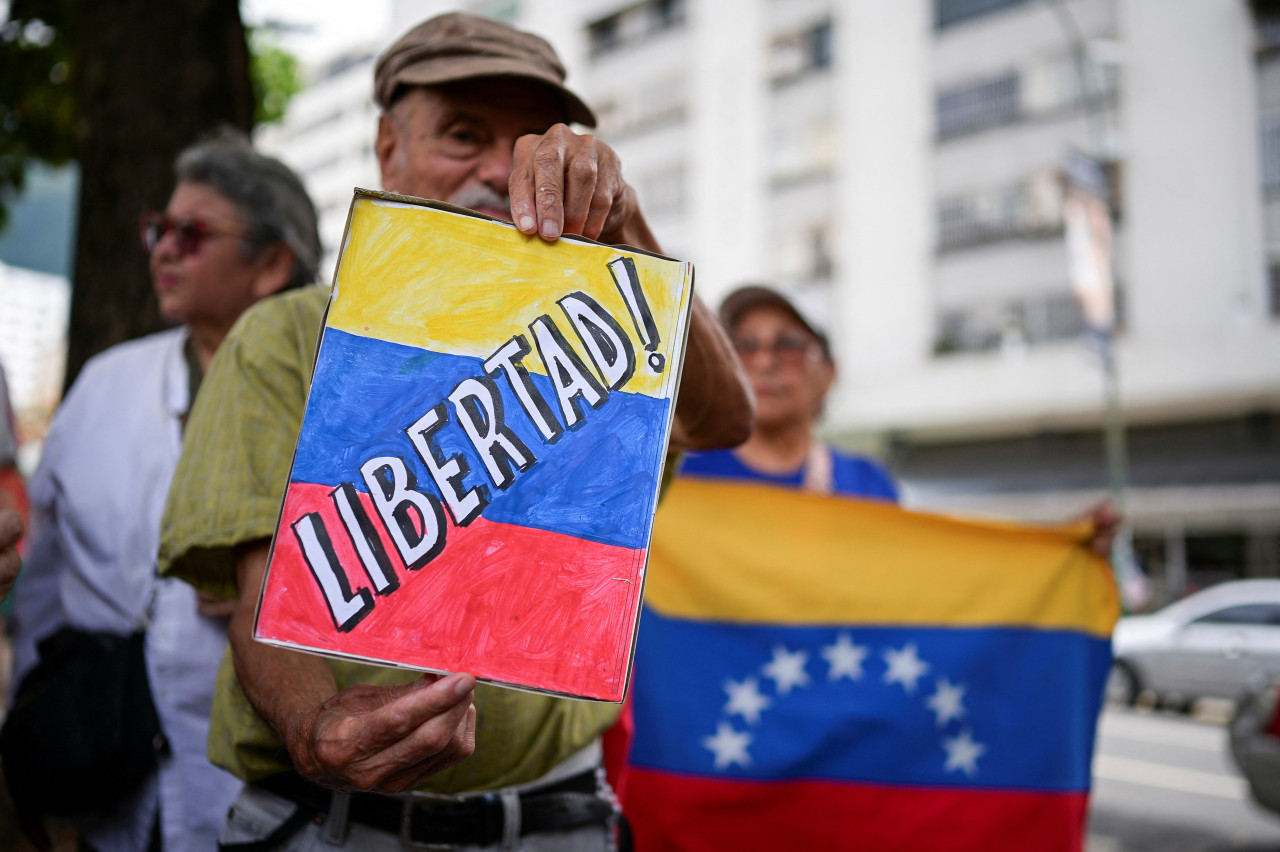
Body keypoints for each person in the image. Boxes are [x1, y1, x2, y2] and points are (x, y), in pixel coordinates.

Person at [157, 12, 753, 851]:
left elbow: (725, 420)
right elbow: (259, 597)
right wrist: (317, 725)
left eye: (529, 143)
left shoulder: (605, 339)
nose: (499, 171)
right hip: (328, 821)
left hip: (559, 819)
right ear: (386, 148)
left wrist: (628, 238)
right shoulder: (290, 333)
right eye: (462, 135)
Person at [7, 130, 322, 851]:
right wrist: (35, 725)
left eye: (192, 233)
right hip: (111, 779)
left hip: (280, 796)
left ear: (271, 262)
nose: (163, 249)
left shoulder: (338, 395)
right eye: (159, 229)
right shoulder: (105, 383)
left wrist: (275, 586)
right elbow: (47, 576)